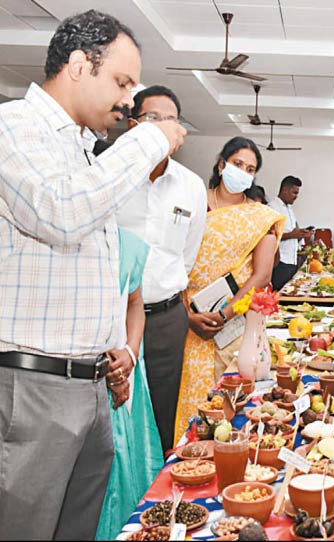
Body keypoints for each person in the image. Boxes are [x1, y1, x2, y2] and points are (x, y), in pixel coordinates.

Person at [0, 10, 185, 540]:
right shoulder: (15, 127)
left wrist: (116, 347)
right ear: (80, 66)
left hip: (90, 384)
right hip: (33, 387)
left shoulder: (82, 150)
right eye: (122, 82)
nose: (128, 99)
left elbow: (92, 269)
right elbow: (61, 215)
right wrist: (152, 138)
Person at [174, 137, 284, 446]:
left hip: (234, 325)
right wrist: (187, 315)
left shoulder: (258, 215)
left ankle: (231, 460)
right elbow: (170, 259)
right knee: (193, 407)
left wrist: (225, 312)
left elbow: (261, 274)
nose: (243, 173)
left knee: (233, 405)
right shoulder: (194, 203)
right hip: (187, 320)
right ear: (222, 165)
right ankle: (191, 460)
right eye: (238, 165)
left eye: (250, 169)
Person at [117, 84, 207, 454]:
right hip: (114, 318)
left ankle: (159, 496)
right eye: (153, 119)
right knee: (117, 415)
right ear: (133, 125)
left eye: (170, 120)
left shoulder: (191, 186)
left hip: (168, 318)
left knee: (164, 408)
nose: (163, 128)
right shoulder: (113, 178)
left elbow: (187, 255)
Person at [96, 228, 164, 540]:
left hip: (127, 367)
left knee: (131, 460)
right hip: (86, 375)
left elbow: (134, 302)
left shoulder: (128, 242)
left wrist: (131, 352)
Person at [270, 175, 312, 290]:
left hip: (291, 260)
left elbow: (292, 233)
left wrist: (301, 234)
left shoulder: (289, 209)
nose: (296, 197)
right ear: (284, 190)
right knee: (279, 295)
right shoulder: (273, 208)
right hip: (280, 262)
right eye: (294, 193)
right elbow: (270, 236)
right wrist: (292, 235)